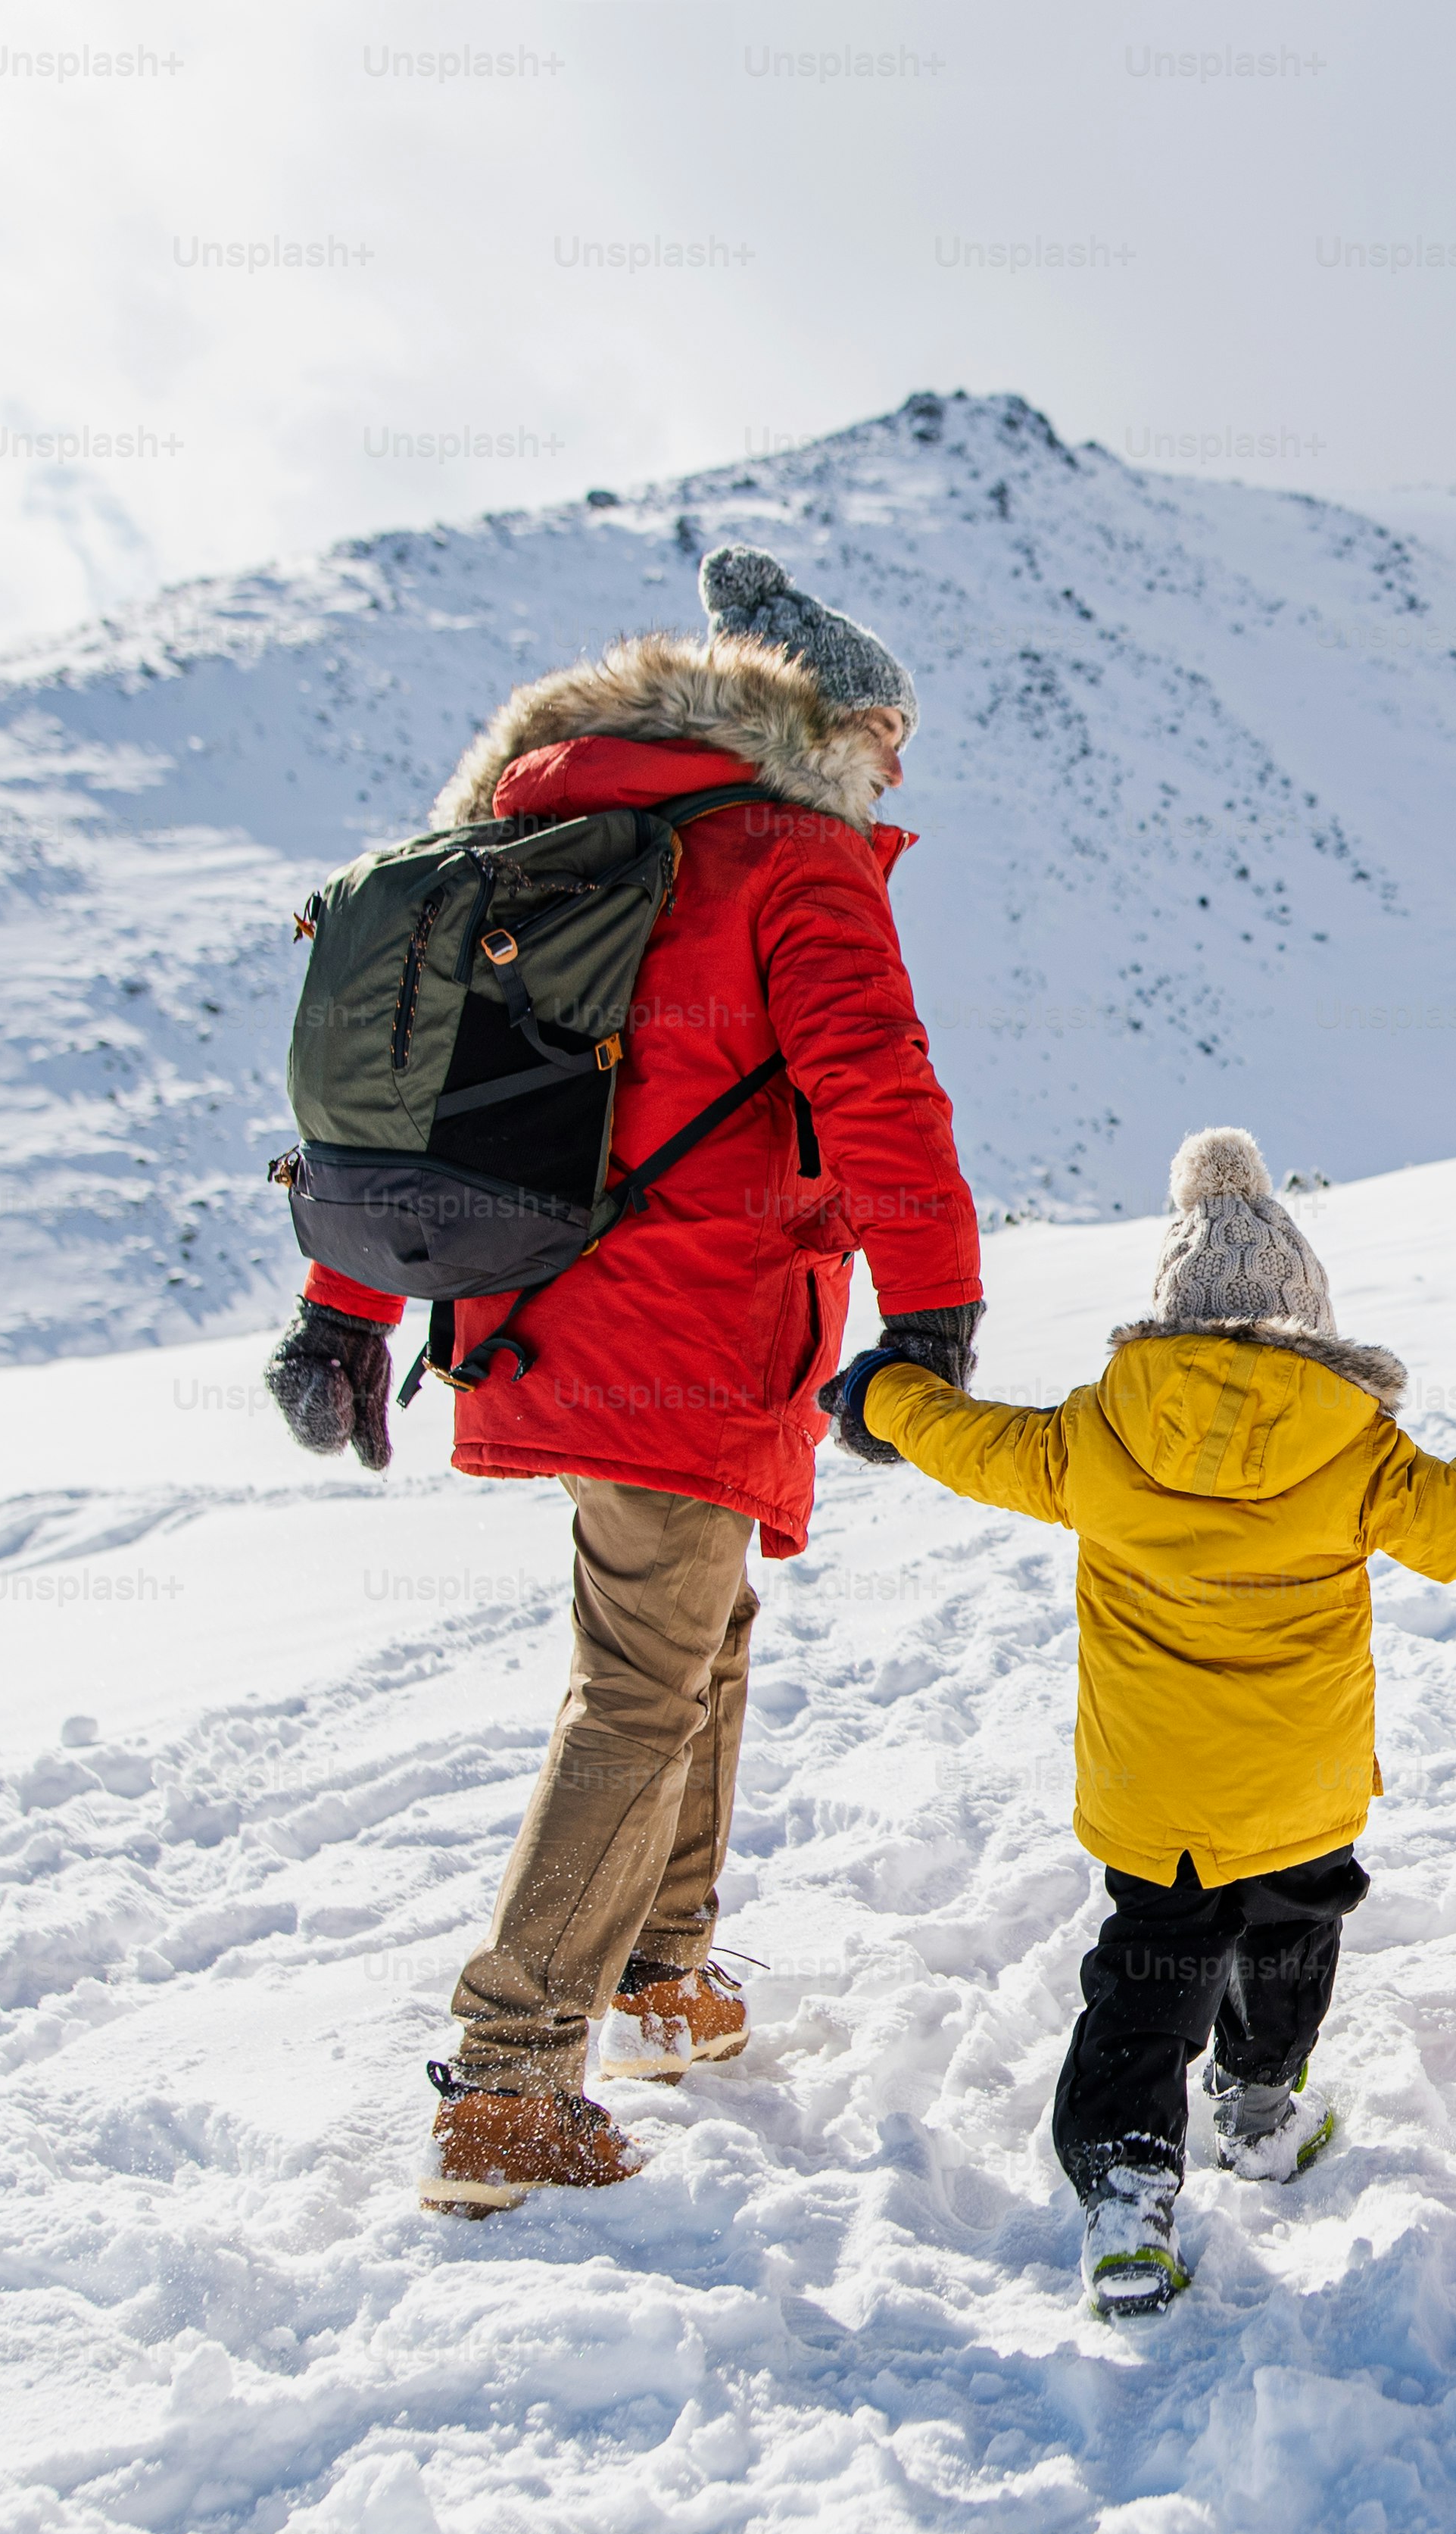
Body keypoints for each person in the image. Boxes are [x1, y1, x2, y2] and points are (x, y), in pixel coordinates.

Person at [261, 545, 989, 2217]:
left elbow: (426, 1103)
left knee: (693, 1633)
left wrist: (343, 1309)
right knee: (643, 1675)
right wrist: (937, 1310)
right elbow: (881, 1090)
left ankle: (665, 1972)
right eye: (891, 730)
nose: (901, 766)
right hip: (698, 1324)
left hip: (543, 1315)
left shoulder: (556, 837)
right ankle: (511, 2080)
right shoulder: (790, 860)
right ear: (825, 720)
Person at [834, 1125, 1456, 2315]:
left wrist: (888, 1393)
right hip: (1301, 1789)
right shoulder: (1355, 1444)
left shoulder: (1094, 1434)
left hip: (1154, 1798)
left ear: (1166, 1316)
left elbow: (964, 1441)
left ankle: (1125, 2185)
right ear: (1307, 1320)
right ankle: (1262, 2106)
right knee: (1289, 1936)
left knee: (1150, 1977)